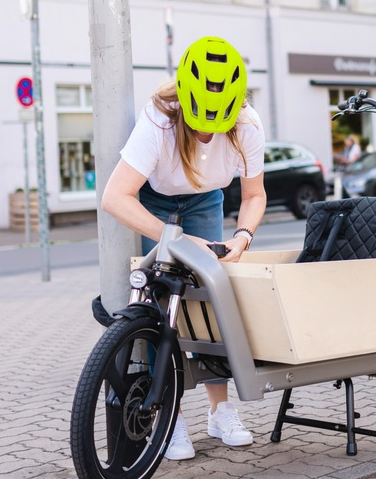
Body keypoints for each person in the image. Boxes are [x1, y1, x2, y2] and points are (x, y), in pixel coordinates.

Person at [102, 36, 266, 461]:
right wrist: (172, 238)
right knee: (162, 305)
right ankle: (169, 419)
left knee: (209, 300)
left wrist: (241, 238)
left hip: (206, 198)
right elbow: (116, 196)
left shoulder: (247, 125)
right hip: (153, 201)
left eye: (217, 121)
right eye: (198, 121)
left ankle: (220, 411)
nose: (206, 130)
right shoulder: (159, 119)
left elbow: (253, 195)